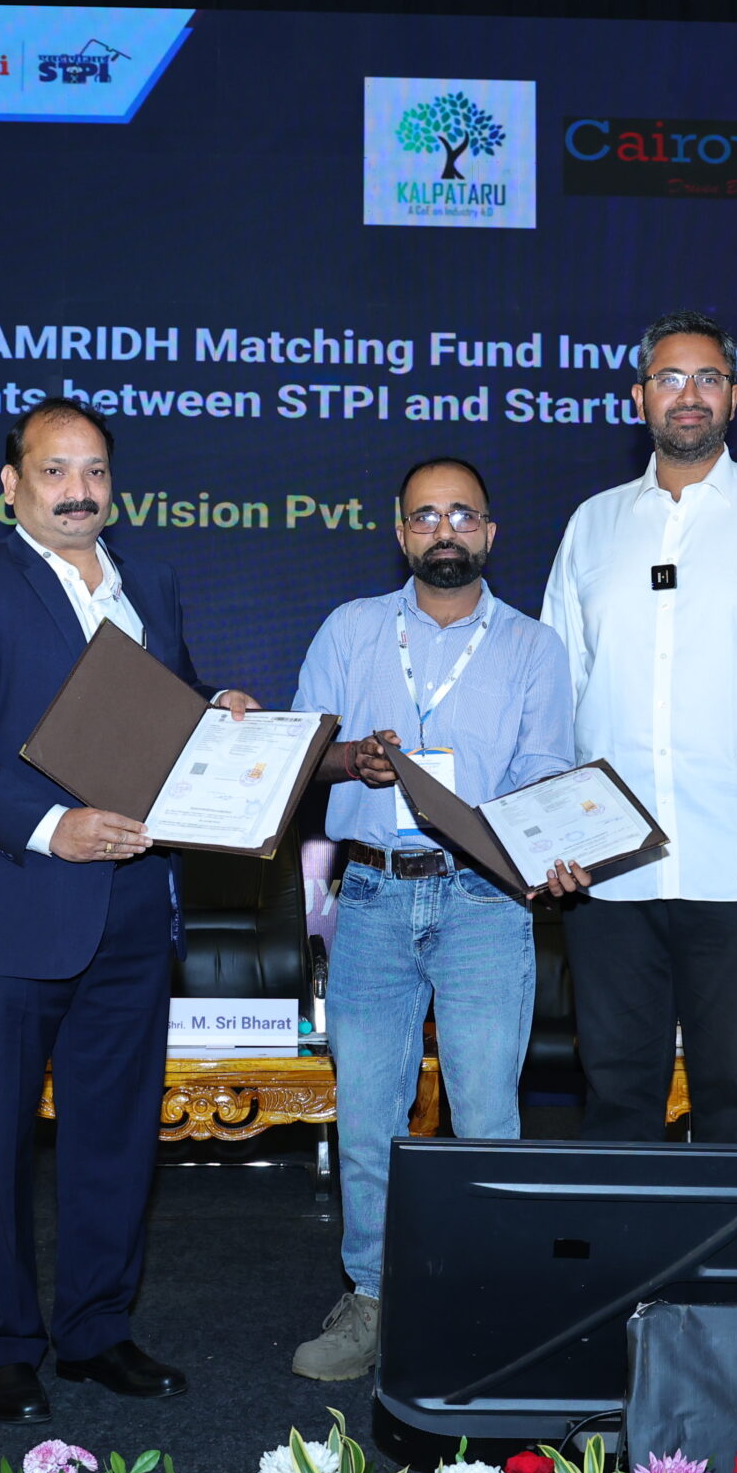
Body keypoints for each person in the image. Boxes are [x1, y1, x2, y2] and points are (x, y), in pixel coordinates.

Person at [0, 395, 255, 1424]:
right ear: (11, 485)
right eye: (54, 471)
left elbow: (160, 719)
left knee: (115, 1139)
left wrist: (216, 714)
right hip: (4, 909)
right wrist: (50, 826)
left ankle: (98, 1332)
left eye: (95, 471)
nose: (78, 491)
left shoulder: (151, 583)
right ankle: (2, 1346)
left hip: (131, 909)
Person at [285, 457, 581, 1381]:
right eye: (425, 516)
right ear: (400, 532)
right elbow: (301, 752)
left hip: (484, 899)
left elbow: (546, 776)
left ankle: (488, 1301)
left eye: (462, 515)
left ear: (490, 532)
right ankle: (372, 1297)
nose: (444, 530)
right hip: (374, 895)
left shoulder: (534, 647)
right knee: (368, 1118)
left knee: (487, 1115)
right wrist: (352, 761)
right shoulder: (351, 629)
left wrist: (556, 844)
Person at [540, 311, 737, 1142]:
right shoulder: (591, 525)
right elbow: (556, 698)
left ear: (735, 397)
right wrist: (552, 837)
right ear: (638, 397)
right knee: (615, 1100)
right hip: (609, 870)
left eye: (708, 378)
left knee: (734, 1101)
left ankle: (731, 1240)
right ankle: (625, 1235)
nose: (690, 395)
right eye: (671, 379)